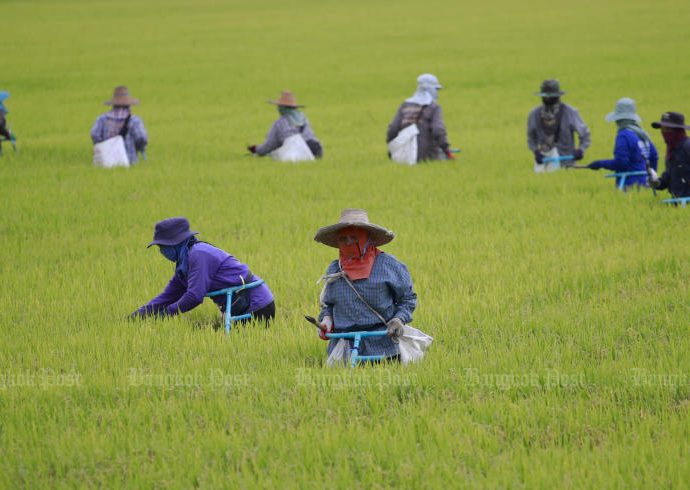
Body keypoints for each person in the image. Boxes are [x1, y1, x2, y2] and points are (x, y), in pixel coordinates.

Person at [314, 209, 417, 362]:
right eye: (343, 239)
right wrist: (326, 320)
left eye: (354, 238)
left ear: (367, 238)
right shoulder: (335, 270)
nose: (348, 243)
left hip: (384, 346)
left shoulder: (389, 266)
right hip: (345, 348)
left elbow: (408, 298)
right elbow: (327, 305)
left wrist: (399, 319)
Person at [131, 217, 275, 323]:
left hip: (256, 307)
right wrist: (139, 314)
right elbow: (168, 296)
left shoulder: (199, 255)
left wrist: (166, 313)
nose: (161, 251)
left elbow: (194, 296)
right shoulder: (184, 265)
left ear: (175, 243)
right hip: (239, 307)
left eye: (163, 247)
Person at [584, 98, 658, 188]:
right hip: (646, 184)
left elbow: (621, 163)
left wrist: (600, 164)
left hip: (628, 184)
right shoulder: (641, 133)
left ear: (619, 119)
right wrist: (651, 176)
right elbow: (654, 156)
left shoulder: (624, 135)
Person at [386, 73, 454, 162]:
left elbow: (393, 129)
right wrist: (446, 150)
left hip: (405, 154)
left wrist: (394, 148)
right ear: (430, 89)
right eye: (436, 89)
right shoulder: (433, 107)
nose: (437, 92)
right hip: (427, 154)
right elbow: (438, 130)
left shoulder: (405, 105)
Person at [527, 79, 591, 172]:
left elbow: (585, 134)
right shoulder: (535, 114)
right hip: (544, 160)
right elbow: (531, 137)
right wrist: (536, 152)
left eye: (551, 97)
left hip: (566, 163)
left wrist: (580, 150)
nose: (548, 99)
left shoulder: (570, 112)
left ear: (558, 96)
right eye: (545, 97)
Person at [247, 91, 323, 159]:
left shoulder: (279, 123)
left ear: (282, 108)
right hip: (316, 149)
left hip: (299, 151)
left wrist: (256, 149)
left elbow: (269, 146)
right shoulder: (303, 118)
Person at [90, 86, 148, 164]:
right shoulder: (134, 120)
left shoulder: (102, 119)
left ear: (113, 104)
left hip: (106, 162)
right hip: (129, 161)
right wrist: (139, 147)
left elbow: (94, 134)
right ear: (128, 105)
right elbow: (141, 138)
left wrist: (104, 146)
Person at [648, 112, 690, 198]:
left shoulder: (687, 146)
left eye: (668, 129)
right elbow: (669, 176)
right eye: (662, 129)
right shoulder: (671, 150)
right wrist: (657, 183)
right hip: (676, 202)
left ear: (678, 131)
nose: (664, 133)